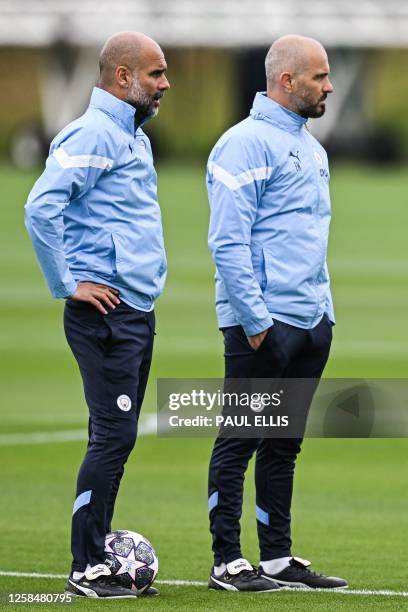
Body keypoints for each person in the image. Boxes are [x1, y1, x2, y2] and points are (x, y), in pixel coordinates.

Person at [25, 31, 170, 598]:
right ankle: (86, 566)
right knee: (112, 436)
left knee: (118, 435)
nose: (165, 84)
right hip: (105, 312)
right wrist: (68, 283)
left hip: (134, 309)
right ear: (123, 77)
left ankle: (101, 555)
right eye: (156, 74)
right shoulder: (92, 133)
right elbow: (41, 207)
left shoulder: (132, 136)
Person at [206, 35, 348, 592]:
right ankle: (225, 560)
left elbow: (309, 241)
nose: (329, 86)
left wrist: (324, 315)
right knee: (239, 441)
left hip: (311, 321)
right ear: (286, 80)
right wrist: (257, 321)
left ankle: (276, 557)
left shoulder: (312, 148)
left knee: (284, 444)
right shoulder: (242, 144)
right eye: (319, 76)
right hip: (263, 325)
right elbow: (228, 242)